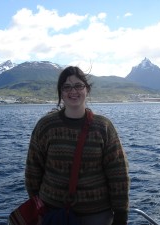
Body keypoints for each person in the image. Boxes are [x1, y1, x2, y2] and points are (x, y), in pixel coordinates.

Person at [25, 66, 130, 225]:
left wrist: (121, 215)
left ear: (87, 89)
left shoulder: (104, 127)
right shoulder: (46, 126)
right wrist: (38, 206)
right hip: (54, 214)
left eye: (78, 86)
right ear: (61, 92)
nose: (73, 91)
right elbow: (33, 171)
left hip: (97, 216)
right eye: (66, 87)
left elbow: (118, 174)